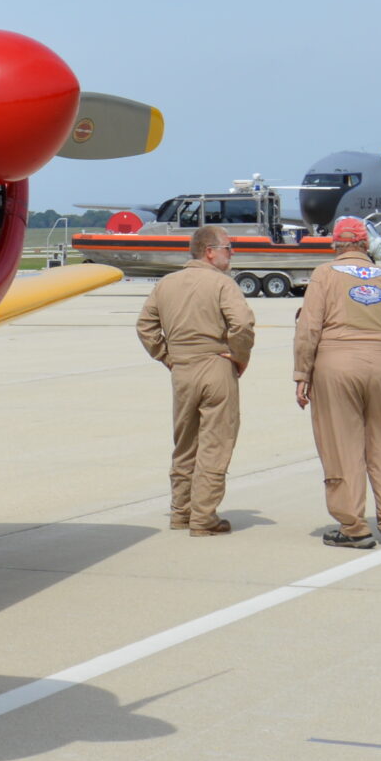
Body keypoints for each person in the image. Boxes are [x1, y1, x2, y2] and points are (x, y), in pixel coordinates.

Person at [294, 218, 381, 549]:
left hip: (336, 367)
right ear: (366, 245)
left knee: (342, 446)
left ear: (335, 245)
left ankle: (354, 526)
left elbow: (309, 328)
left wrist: (302, 373)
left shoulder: (324, 275)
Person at [136, 224, 255, 535]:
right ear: (210, 252)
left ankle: (181, 512)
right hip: (216, 363)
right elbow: (242, 324)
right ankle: (204, 517)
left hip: (182, 369)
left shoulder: (167, 284)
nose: (232, 253)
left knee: (185, 443)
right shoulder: (222, 284)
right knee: (216, 442)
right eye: (228, 248)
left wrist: (166, 356)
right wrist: (240, 355)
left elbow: (145, 325)